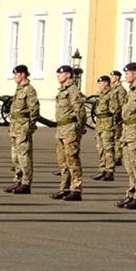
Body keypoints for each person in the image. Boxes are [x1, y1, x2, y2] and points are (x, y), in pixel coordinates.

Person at [114, 63, 136, 210]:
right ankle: (132, 193)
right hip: (127, 131)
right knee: (129, 165)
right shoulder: (131, 91)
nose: (126, 76)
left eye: (128, 73)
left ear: (135, 74)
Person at [51, 65, 86, 201]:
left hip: (70, 129)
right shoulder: (62, 91)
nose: (58, 76)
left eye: (61, 74)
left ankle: (76, 189)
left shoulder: (73, 90)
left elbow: (80, 112)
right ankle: (64, 188)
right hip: (61, 129)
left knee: (72, 159)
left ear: (68, 75)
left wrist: (79, 128)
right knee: (62, 162)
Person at [4, 65, 38, 195]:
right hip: (15, 126)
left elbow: (34, 109)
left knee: (24, 156)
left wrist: (30, 126)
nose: (14, 77)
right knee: (15, 156)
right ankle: (17, 180)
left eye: (17, 74)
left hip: (23, 126)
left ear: (23, 74)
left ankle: (26, 182)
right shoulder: (18, 90)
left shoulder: (29, 90)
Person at [92, 75, 121, 182]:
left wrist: (111, 119)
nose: (99, 86)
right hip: (100, 125)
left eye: (100, 83)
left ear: (105, 83)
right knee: (101, 148)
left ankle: (110, 170)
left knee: (108, 148)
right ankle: (103, 169)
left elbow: (115, 109)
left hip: (108, 125)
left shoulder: (111, 94)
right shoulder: (102, 95)